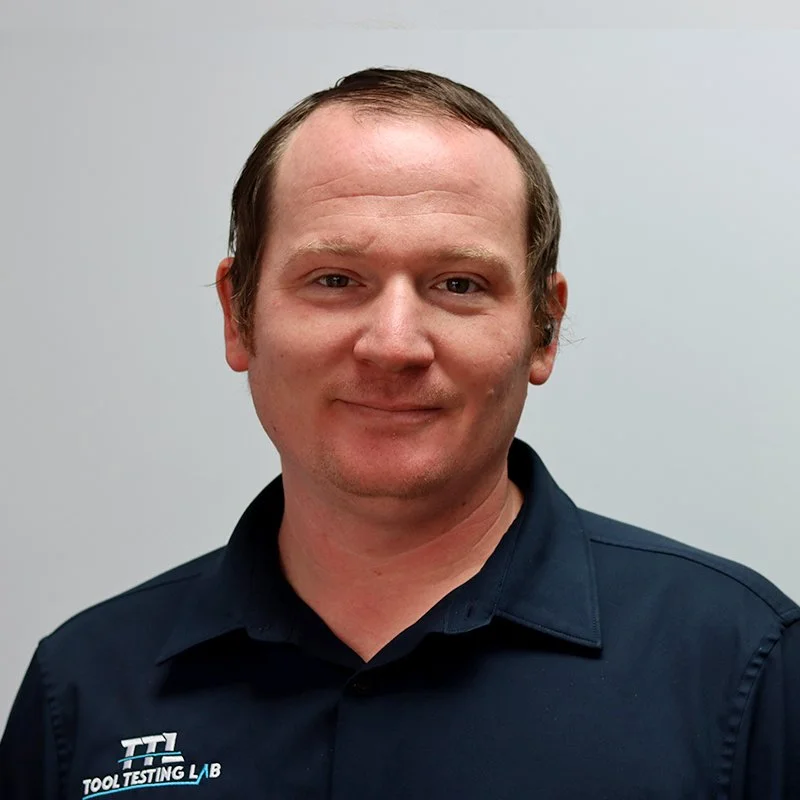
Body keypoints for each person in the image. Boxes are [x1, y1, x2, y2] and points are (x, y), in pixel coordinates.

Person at [1, 67, 798, 799]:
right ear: (237, 316)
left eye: (458, 284)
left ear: (544, 329)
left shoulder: (744, 667)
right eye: (335, 280)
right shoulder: (83, 687)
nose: (393, 344)